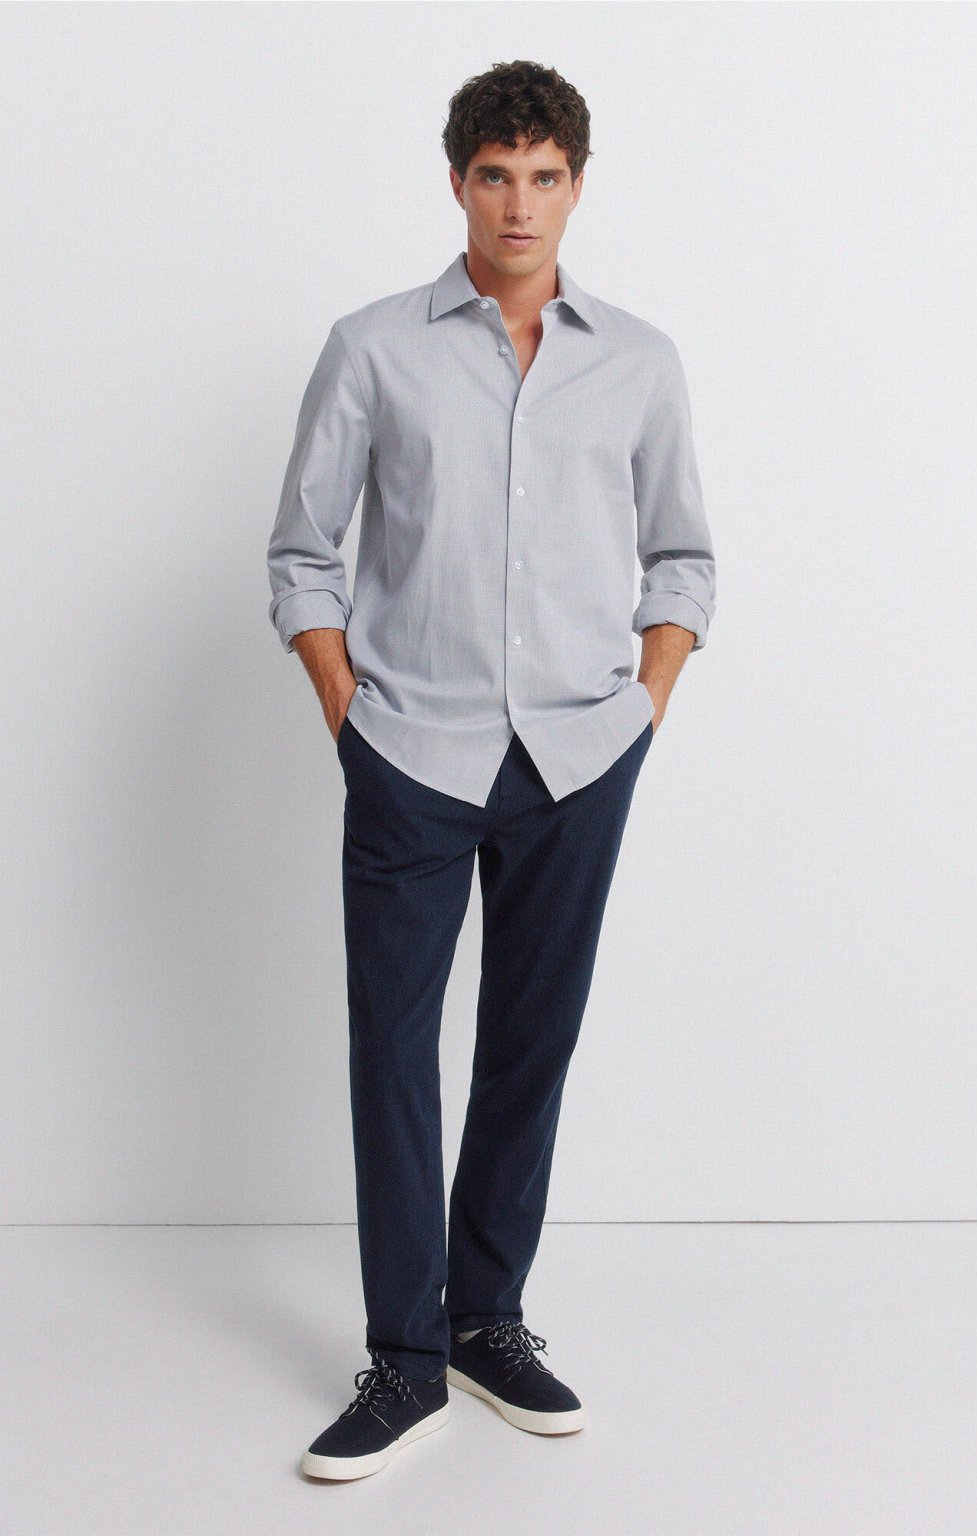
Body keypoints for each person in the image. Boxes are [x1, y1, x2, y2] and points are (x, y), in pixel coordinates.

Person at [266, 58, 716, 1482]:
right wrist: (349, 712)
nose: (520, 202)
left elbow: (683, 559)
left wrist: (642, 711)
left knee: (533, 1042)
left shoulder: (638, 362)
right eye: (495, 175)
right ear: (457, 182)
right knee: (393, 1049)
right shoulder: (373, 349)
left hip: (580, 756)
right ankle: (405, 1359)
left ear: (578, 186)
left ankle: (487, 1322)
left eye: (545, 176)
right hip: (411, 748)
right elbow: (303, 553)